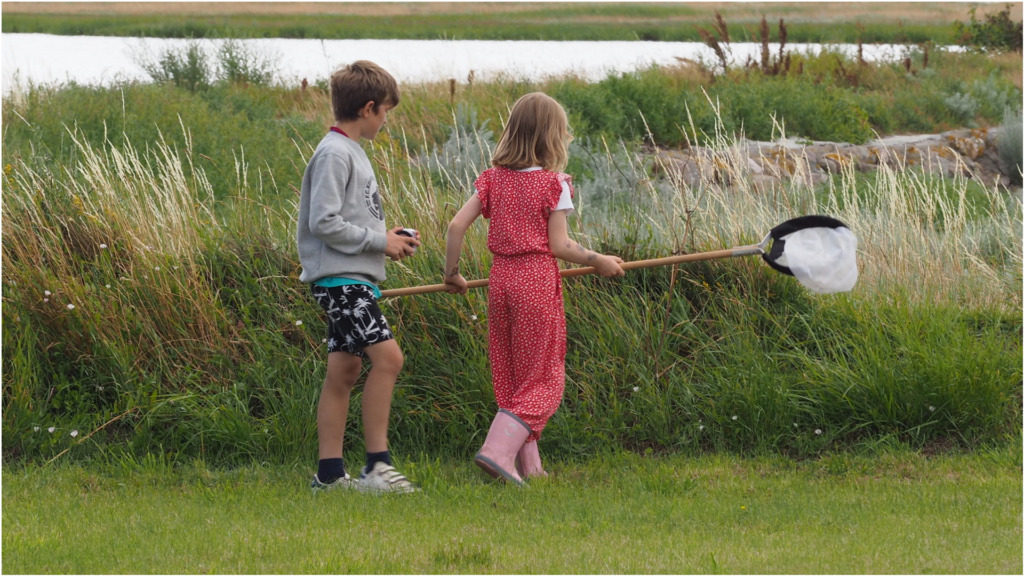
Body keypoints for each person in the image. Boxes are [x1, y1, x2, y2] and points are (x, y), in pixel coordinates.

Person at [443, 92, 625, 485]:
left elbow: (456, 227)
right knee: (543, 378)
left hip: (501, 281)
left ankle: (530, 466)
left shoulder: (492, 179)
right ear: (551, 137)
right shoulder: (552, 184)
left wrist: (452, 274)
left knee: (513, 374)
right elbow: (560, 246)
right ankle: (497, 452)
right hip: (535, 282)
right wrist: (599, 261)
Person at [297, 60, 420, 493]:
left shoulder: (351, 152)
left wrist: (389, 238)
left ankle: (329, 477)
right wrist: (378, 242)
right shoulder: (334, 153)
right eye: (386, 111)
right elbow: (323, 223)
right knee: (389, 359)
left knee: (344, 372)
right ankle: (377, 468)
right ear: (368, 108)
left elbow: (349, 220)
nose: (386, 120)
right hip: (340, 281)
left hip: (352, 279)